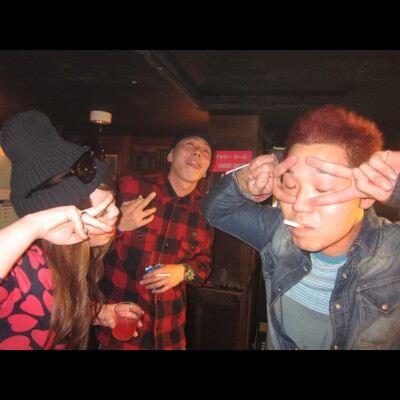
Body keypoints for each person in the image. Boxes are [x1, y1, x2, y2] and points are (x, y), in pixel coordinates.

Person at [201, 105, 400, 350]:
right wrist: (244, 181)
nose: (299, 205)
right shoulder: (277, 232)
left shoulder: (393, 252)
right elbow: (214, 210)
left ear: (367, 195)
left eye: (323, 188)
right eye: (290, 185)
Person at [0, 110, 143, 350]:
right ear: (61, 216)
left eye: (114, 202)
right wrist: (34, 225)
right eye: (103, 211)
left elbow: (58, 308)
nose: (116, 214)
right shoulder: (27, 264)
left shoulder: (71, 260)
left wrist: (98, 312)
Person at [97, 130, 215, 349]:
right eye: (190, 144)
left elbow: (204, 264)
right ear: (170, 155)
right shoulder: (129, 188)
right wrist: (117, 226)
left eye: (206, 151)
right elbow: (84, 243)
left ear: (207, 170)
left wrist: (183, 272)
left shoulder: (205, 211)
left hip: (171, 337)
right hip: (120, 333)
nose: (198, 152)